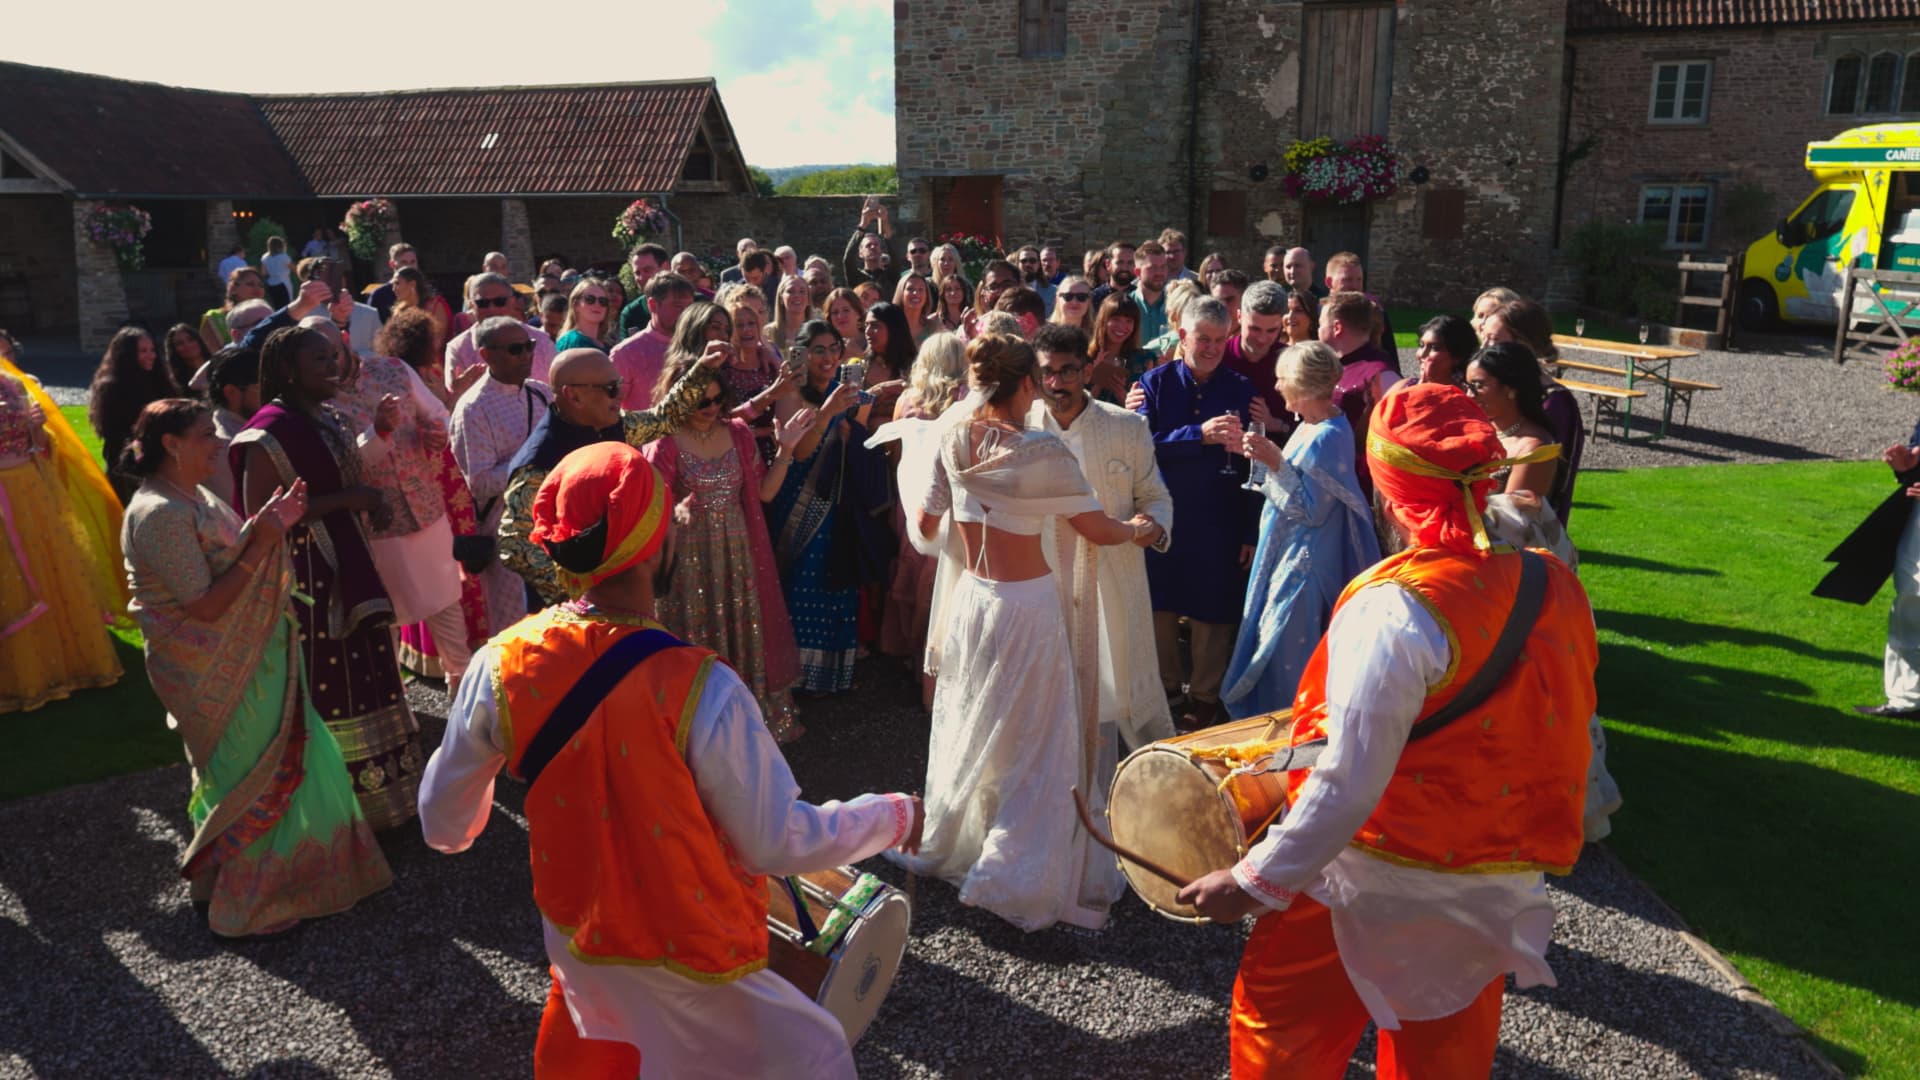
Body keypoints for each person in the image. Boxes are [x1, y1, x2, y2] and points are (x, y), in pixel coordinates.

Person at [419, 440, 922, 1079]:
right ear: (656, 546)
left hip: (577, 941)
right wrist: (895, 816)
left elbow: (443, 827)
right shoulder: (700, 686)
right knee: (816, 1053)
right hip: (690, 953)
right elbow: (778, 843)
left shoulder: (501, 664)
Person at [1175, 382, 1598, 1080]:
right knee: (1443, 1057)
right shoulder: (1553, 583)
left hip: (1366, 878)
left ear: (1390, 487)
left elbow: (1347, 780)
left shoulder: (1396, 610)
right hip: (1489, 882)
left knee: (1279, 1037)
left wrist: (1252, 880)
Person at [878, 333, 1155, 931]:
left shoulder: (952, 439)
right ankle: (1015, 868)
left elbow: (925, 526)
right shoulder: (1042, 454)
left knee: (979, 723)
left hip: (974, 602)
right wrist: (1140, 528)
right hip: (1027, 609)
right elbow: (1100, 532)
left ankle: (967, 839)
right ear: (1027, 384)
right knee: (1036, 740)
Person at [120, 399, 392, 933]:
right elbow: (204, 605)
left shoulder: (192, 495)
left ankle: (253, 882)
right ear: (171, 445)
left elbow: (226, 562)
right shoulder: (159, 514)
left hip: (251, 652)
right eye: (205, 435)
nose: (218, 443)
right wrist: (264, 538)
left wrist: (270, 525)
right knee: (242, 773)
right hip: (207, 666)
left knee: (273, 765)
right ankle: (250, 902)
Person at [231, 327, 423, 831]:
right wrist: (350, 501)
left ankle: (386, 801)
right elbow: (258, 516)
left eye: (334, 357)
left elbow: (343, 482)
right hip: (306, 584)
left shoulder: (328, 416)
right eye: (320, 360)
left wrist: (365, 501)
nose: (333, 367)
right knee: (328, 683)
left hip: (349, 564)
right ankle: (335, 813)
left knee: (372, 672)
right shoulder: (266, 432)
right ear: (289, 370)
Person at [642, 357, 815, 741]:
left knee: (740, 629)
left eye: (717, 399)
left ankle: (743, 725)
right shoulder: (664, 443)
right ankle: (697, 730)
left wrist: (786, 449)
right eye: (701, 401)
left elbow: (766, 493)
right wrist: (675, 515)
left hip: (738, 553)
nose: (710, 409)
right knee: (696, 635)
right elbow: (651, 512)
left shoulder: (736, 433)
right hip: (688, 560)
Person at [1031, 324, 1176, 751]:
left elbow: (1155, 495)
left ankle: (1123, 786)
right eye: (1047, 373)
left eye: (1069, 371)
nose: (1057, 384)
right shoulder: (1021, 429)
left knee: (1114, 686)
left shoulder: (1126, 426)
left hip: (1113, 574)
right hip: (1043, 576)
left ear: (1089, 368)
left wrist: (1153, 524)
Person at [497, 341, 721, 611]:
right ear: (574, 396)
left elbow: (665, 419)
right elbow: (515, 545)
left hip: (621, 597)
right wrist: (580, 594)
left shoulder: (614, 426)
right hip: (571, 617)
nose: (619, 396)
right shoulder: (539, 461)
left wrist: (702, 370)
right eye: (610, 389)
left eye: (620, 386)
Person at [1221, 342, 1380, 720]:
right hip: (1290, 552)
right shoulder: (1313, 422)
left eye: (1282, 379)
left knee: (1284, 649)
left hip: (1305, 565)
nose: (1276, 387)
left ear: (1303, 385)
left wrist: (1273, 460)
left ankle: (1287, 725)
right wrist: (1263, 459)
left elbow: (1309, 511)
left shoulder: (1326, 435)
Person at [326, 318, 472, 698]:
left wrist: (437, 433)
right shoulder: (318, 401)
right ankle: (394, 709)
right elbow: (341, 467)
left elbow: (437, 413)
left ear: (344, 340)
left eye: (329, 351)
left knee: (447, 605)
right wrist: (379, 432)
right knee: (385, 617)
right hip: (376, 525)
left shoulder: (392, 368)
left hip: (425, 509)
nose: (325, 361)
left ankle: (469, 707)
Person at [1138, 297, 1260, 731]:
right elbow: (1139, 447)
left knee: (1214, 609)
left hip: (1219, 515)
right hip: (1164, 514)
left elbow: (1254, 466)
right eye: (1202, 339)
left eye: (1218, 340)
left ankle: (1206, 694)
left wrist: (1249, 527)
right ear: (1183, 336)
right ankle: (1167, 689)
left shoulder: (1242, 389)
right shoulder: (1153, 384)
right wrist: (1198, 436)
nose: (1210, 347)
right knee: (1161, 606)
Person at [765, 320, 883, 694]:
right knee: (799, 580)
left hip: (835, 500)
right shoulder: (790, 393)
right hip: (795, 498)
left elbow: (856, 442)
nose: (830, 357)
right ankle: (793, 676)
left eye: (834, 348)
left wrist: (852, 423)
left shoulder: (840, 389)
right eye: (819, 350)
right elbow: (798, 451)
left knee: (833, 574)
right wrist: (830, 412)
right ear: (802, 353)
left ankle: (829, 673)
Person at [375, 311, 490, 684]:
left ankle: (454, 680)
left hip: (429, 484)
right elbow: (443, 416)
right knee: (414, 592)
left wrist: (450, 402)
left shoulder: (407, 373)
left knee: (439, 590)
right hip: (427, 484)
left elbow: (439, 417)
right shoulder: (405, 375)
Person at [0, 367, 122, 712]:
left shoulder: (13, 384)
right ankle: (20, 677)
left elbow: (41, 448)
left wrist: (37, 429)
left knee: (51, 571)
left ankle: (68, 664)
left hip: (29, 489)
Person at [0, 333, 129, 625]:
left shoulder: (25, 386)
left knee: (46, 554)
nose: (5, 362)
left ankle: (59, 620)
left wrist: (36, 429)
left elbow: (46, 444)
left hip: (32, 480)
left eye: (8, 354)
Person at [877, 331, 967, 705]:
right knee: (943, 581)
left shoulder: (907, 400)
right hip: (949, 503)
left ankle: (914, 655)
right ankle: (937, 662)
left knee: (914, 578)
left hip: (910, 500)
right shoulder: (964, 401)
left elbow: (893, 455)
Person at [451, 317, 551, 635]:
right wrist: (532, 463)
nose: (526, 355)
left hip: (553, 526)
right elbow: (478, 483)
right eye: (515, 349)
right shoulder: (473, 408)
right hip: (505, 532)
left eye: (529, 346)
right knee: (517, 629)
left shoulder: (540, 394)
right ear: (486, 355)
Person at [1482, 298, 1585, 524]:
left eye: (1494, 339)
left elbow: (1544, 488)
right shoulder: (1494, 390)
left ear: (1523, 344)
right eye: (1484, 337)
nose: (1485, 348)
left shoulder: (1554, 403)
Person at [1321, 290, 1401, 497]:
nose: (1317, 329)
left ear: (1337, 327)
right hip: (1333, 480)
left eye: (1321, 323)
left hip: (1363, 490)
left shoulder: (1382, 374)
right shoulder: (1337, 365)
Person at [90, 326, 178, 502]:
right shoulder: (113, 388)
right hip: (129, 464)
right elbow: (118, 434)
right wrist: (141, 461)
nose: (151, 355)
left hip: (160, 458)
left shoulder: (158, 379)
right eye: (143, 351)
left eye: (152, 350)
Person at [445, 273, 558, 392]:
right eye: (482, 303)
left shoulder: (541, 342)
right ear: (472, 305)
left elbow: (558, 391)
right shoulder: (458, 348)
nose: (492, 308)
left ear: (513, 301)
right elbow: (453, 397)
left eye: (500, 301)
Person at [1223, 281, 1291, 437]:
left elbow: (1310, 422)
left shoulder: (1292, 363)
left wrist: (1276, 424)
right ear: (1239, 316)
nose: (1262, 339)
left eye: (1271, 330)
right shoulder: (1218, 356)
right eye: (1254, 329)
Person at [204, 345, 261, 509]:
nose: (269, 393)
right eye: (260, 387)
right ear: (231, 392)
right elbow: (241, 512)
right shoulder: (221, 446)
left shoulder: (251, 427)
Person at [1325, 251, 1396, 356]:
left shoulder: (1373, 313)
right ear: (1329, 282)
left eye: (1359, 280)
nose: (1355, 286)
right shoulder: (1316, 312)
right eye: (1348, 279)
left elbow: (1390, 355)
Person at [1086, 294, 1152, 406]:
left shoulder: (1144, 359)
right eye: (1115, 319)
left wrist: (1121, 394)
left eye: (1129, 321)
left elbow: (1144, 412)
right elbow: (1076, 408)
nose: (1122, 326)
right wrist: (1099, 378)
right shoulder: (1084, 356)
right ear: (1103, 321)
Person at [200, 266, 267, 354]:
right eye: (250, 284)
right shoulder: (214, 318)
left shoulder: (268, 316)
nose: (257, 288)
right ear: (233, 289)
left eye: (261, 285)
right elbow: (214, 357)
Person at [843, 199, 901, 298]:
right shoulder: (856, 277)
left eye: (876, 244)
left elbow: (896, 257)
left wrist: (885, 221)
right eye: (868, 245)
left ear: (881, 251)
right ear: (860, 253)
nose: (873, 247)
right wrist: (863, 225)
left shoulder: (890, 276)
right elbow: (848, 260)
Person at [392, 266, 452, 351]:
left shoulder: (435, 306)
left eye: (397, 283)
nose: (393, 289)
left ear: (412, 284)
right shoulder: (399, 310)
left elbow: (436, 344)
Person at [616, 243, 668, 338]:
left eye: (647, 270)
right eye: (637, 273)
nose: (641, 277)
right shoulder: (631, 313)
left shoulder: (694, 302)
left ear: (665, 267)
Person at [1413, 314, 1476, 388]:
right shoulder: (1403, 386)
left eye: (1435, 348)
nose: (1422, 354)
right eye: (1421, 345)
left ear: (1458, 356)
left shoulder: (1470, 396)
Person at [552, 278, 614, 352]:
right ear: (575, 305)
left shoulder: (609, 344)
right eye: (590, 299)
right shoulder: (570, 342)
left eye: (603, 301)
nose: (597, 304)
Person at [367, 242, 419, 323]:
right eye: (404, 262)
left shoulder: (425, 291)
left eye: (413, 262)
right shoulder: (379, 295)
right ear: (392, 264)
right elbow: (370, 327)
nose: (410, 267)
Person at [163, 323, 213, 396]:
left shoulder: (218, 363)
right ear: (174, 350)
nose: (187, 345)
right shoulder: (176, 384)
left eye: (191, 339)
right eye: (180, 343)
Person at [892, 272, 937, 344]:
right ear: (901, 293)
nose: (916, 293)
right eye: (910, 289)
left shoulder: (934, 328)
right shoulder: (888, 326)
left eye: (921, 289)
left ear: (926, 295)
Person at [823, 287, 867, 360]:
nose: (840, 316)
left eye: (846, 310)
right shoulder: (824, 344)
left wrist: (859, 354)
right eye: (835, 312)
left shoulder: (871, 340)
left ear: (858, 313)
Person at [933, 272, 972, 337]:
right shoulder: (935, 320)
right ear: (943, 294)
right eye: (948, 289)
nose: (953, 293)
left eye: (957, 289)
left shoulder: (972, 316)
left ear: (964, 292)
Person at [260, 236, 294, 309]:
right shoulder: (283, 256)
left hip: (271, 283)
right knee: (287, 305)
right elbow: (293, 268)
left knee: (277, 306)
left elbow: (263, 273)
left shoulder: (265, 257)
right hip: (283, 282)